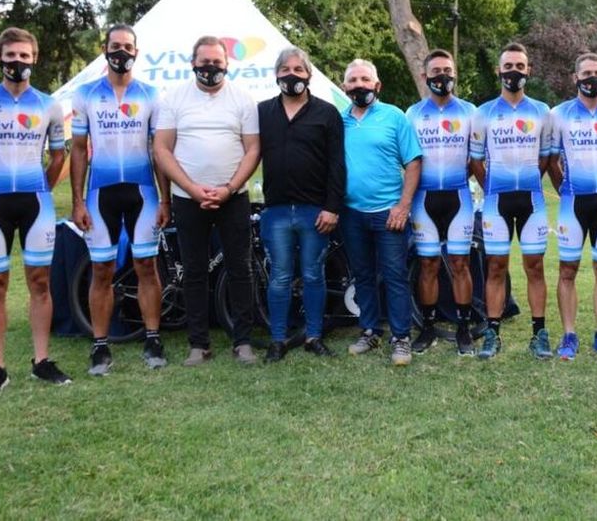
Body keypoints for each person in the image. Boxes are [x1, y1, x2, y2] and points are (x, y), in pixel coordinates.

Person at [0, 27, 72, 397]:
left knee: (40, 282)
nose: (17, 62)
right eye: (11, 56)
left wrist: (43, 188)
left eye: (24, 56)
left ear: (34, 59)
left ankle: (42, 362)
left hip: (35, 203)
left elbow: (59, 155)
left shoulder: (49, 105)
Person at [70, 24, 171, 375]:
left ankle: (153, 337)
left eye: (128, 46)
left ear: (136, 52)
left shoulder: (151, 94)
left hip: (143, 192)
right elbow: (79, 150)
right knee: (102, 269)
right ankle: (100, 346)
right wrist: (78, 200)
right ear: (104, 49)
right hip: (101, 194)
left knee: (146, 266)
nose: (121, 52)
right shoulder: (85, 94)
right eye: (115, 46)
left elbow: (159, 152)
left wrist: (165, 200)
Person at [154, 36, 261, 366]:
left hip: (234, 197)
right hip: (188, 198)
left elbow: (254, 149)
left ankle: (242, 341)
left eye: (217, 62)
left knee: (241, 269)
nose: (210, 68)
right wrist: (190, 187)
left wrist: (228, 188)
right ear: (192, 63)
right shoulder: (173, 99)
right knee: (195, 272)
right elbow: (161, 149)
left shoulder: (243, 99)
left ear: (227, 64)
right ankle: (198, 344)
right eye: (204, 62)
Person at [258, 47, 346, 362]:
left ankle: (313, 336)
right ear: (276, 74)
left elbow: (337, 165)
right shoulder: (263, 112)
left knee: (313, 275)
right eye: (285, 69)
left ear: (308, 74)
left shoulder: (327, 113)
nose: (291, 74)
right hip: (276, 210)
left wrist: (332, 207)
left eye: (298, 69)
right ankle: (278, 339)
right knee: (280, 276)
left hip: (316, 211)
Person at [470, 42, 552, 360]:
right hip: (496, 201)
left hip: (532, 200)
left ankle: (539, 333)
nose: (514, 71)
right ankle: (492, 333)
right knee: (496, 267)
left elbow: (546, 157)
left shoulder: (542, 111)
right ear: (499, 70)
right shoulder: (484, 113)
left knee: (535, 267)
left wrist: (531, 180)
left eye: (520, 66)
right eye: (508, 66)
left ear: (528, 70)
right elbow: (476, 160)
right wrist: (491, 185)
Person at [547, 53, 597, 361]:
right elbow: (552, 160)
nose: (592, 78)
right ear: (575, 77)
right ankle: (569, 335)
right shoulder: (559, 114)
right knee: (567, 269)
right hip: (572, 202)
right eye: (586, 73)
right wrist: (565, 189)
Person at [340, 58, 422, 366]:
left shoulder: (395, 117)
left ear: (377, 85)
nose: (359, 85)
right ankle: (369, 331)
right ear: (344, 86)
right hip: (351, 214)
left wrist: (403, 206)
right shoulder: (339, 120)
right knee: (362, 276)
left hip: (389, 213)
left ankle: (401, 338)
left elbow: (413, 162)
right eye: (353, 80)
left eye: (365, 79)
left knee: (394, 276)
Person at [405, 49, 477, 356]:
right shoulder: (412, 114)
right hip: (424, 198)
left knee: (461, 264)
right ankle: (428, 327)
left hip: (458, 196)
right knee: (428, 264)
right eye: (435, 72)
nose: (442, 77)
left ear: (455, 74)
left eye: (447, 71)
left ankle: (463, 328)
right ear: (424, 77)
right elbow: (408, 161)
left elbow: (477, 158)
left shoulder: (470, 111)